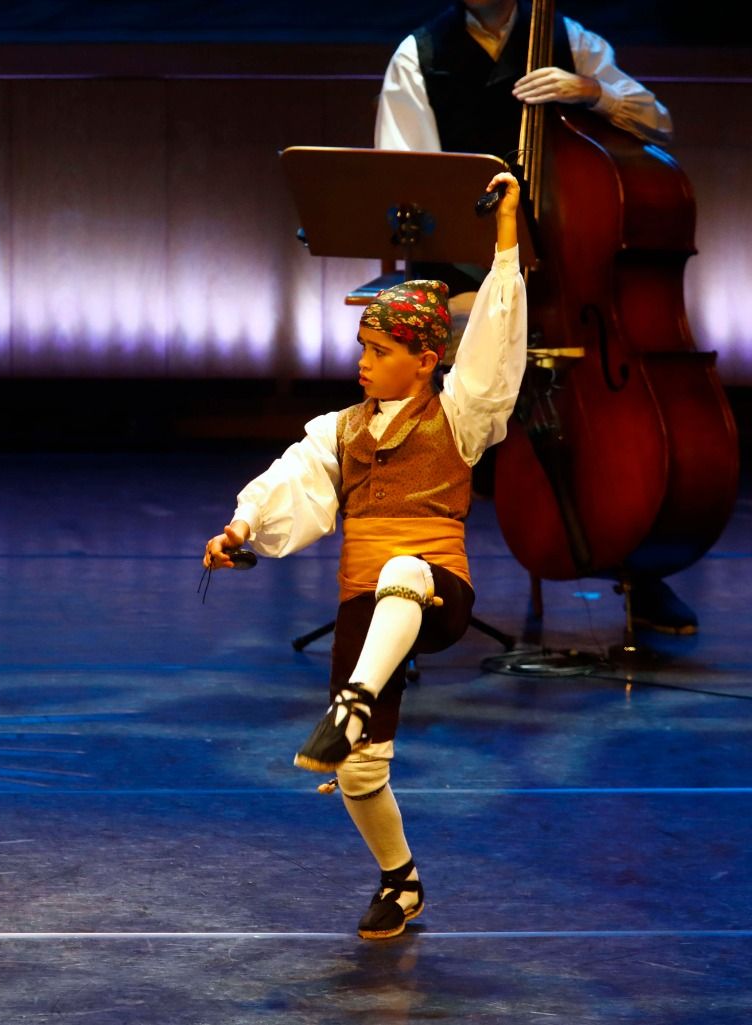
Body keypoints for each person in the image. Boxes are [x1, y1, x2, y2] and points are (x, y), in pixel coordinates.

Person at [204, 172, 525, 940]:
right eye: (362, 348)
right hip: (364, 611)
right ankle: (401, 881)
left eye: (379, 351)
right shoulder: (340, 430)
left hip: (437, 593)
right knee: (358, 770)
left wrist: (507, 234)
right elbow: (293, 481)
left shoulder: (461, 415)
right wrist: (241, 528)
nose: (363, 362)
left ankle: (349, 705)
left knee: (404, 570)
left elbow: (496, 334)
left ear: (423, 358)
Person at [374, 1, 693, 635]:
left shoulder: (570, 39)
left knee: (600, 428)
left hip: (575, 281)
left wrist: (593, 92)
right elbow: (406, 183)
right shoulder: (420, 55)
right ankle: (414, 583)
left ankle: (635, 564)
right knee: (435, 410)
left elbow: (659, 121)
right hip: (470, 275)